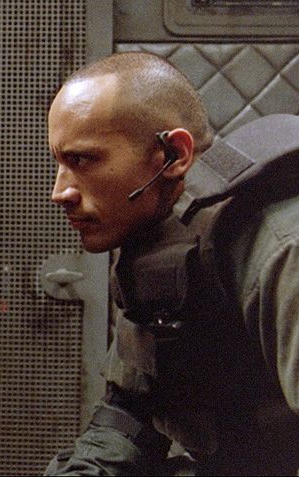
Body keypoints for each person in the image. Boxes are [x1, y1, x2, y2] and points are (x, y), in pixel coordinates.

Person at [44, 51, 299, 475]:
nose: (60, 192)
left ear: (173, 154)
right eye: (59, 162)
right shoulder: (166, 250)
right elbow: (127, 417)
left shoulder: (281, 245)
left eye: (82, 160)